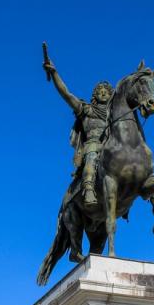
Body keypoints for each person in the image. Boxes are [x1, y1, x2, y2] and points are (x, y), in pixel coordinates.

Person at [43, 54, 113, 207]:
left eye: (106, 91)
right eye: (99, 90)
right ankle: (88, 188)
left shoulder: (113, 116)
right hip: (92, 145)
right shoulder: (86, 110)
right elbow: (66, 94)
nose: (103, 93)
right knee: (93, 151)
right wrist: (54, 73)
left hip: (111, 147)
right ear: (95, 95)